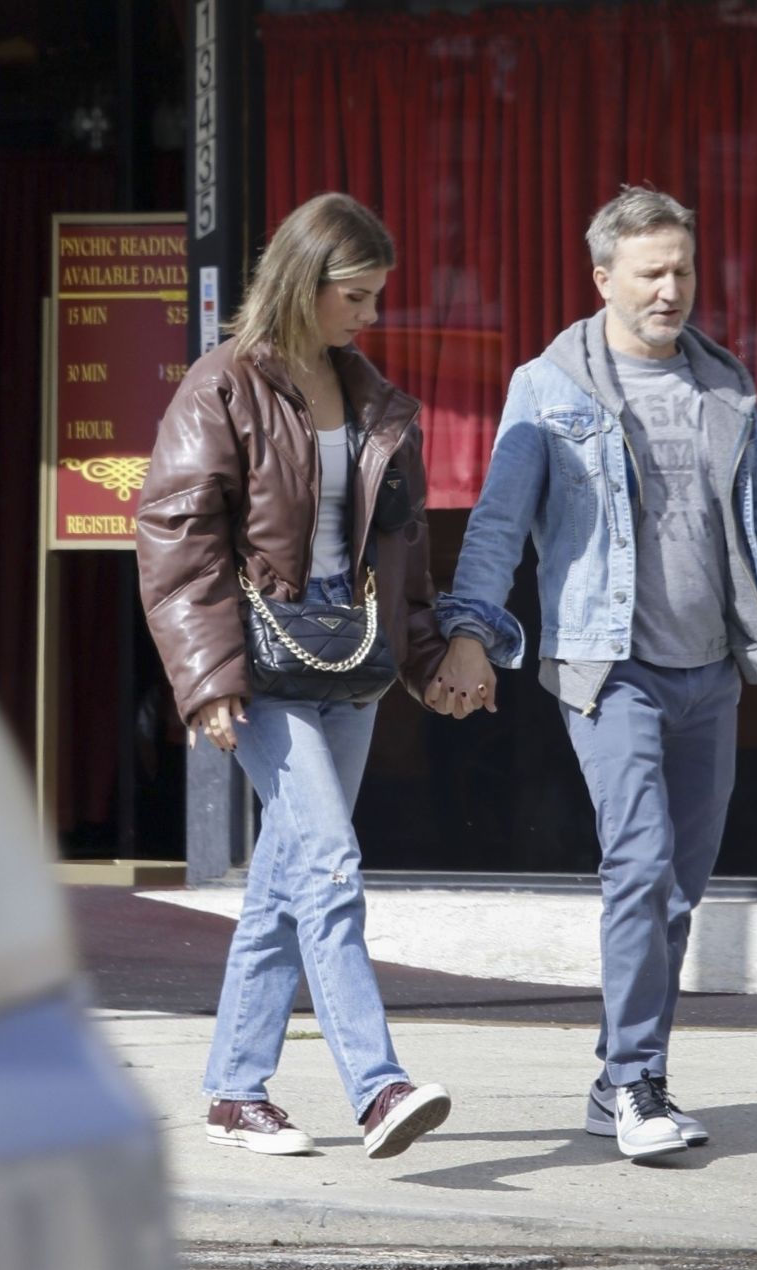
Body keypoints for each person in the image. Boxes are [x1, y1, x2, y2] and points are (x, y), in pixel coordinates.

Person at [427, 187, 757, 1161]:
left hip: (706, 674)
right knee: (635, 864)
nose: (671, 288)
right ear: (602, 280)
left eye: (681, 269)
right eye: (650, 272)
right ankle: (637, 1083)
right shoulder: (548, 388)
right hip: (609, 670)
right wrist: (469, 630)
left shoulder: (722, 387)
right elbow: (498, 524)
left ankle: (617, 1080)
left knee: (677, 887)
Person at [136, 193, 451, 1159]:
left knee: (284, 880)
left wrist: (432, 656)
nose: (368, 314)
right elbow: (178, 536)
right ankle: (376, 1083)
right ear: (301, 282)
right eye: (353, 294)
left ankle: (236, 1090)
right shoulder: (222, 384)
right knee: (327, 864)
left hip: (345, 660)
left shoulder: (367, 392)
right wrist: (208, 677)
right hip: (263, 668)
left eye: (376, 296)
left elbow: (403, 542)